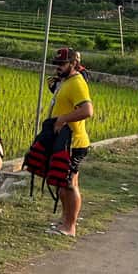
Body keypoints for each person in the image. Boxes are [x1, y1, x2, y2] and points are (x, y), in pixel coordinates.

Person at [47, 46, 94, 237]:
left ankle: (70, 226)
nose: (58, 67)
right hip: (64, 142)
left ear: (74, 64)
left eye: (62, 64)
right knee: (63, 181)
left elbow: (87, 111)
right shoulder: (66, 81)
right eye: (56, 64)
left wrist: (62, 119)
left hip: (74, 143)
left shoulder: (77, 83)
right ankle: (65, 220)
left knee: (68, 183)